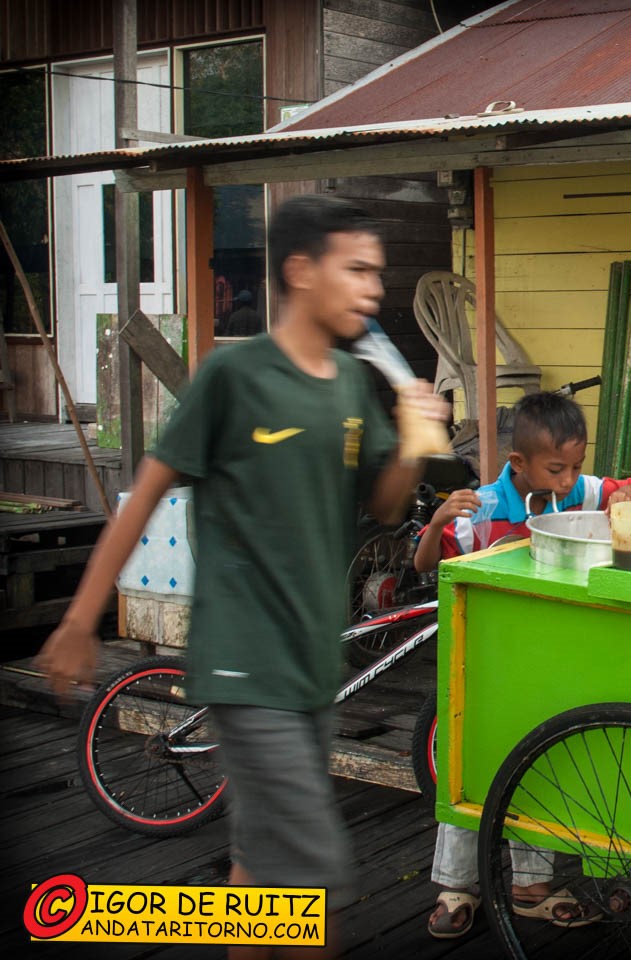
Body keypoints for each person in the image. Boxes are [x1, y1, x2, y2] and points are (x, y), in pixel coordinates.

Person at [37, 195, 448, 959]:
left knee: (260, 872)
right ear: (301, 270)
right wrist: (77, 620)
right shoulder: (236, 374)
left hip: (310, 661)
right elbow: (147, 495)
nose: (374, 289)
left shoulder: (355, 387)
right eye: (355, 270)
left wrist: (416, 440)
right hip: (241, 660)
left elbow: (387, 509)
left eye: (377, 274)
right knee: (312, 882)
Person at [421, 389, 631, 939]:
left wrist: (622, 491)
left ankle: (530, 886)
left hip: (549, 658)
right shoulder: (481, 506)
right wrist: (437, 525)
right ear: (518, 464)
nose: (566, 479)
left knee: (539, 762)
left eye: (575, 466)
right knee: (473, 762)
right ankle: (457, 884)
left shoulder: (582, 492)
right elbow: (425, 564)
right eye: (555, 468)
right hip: (481, 660)